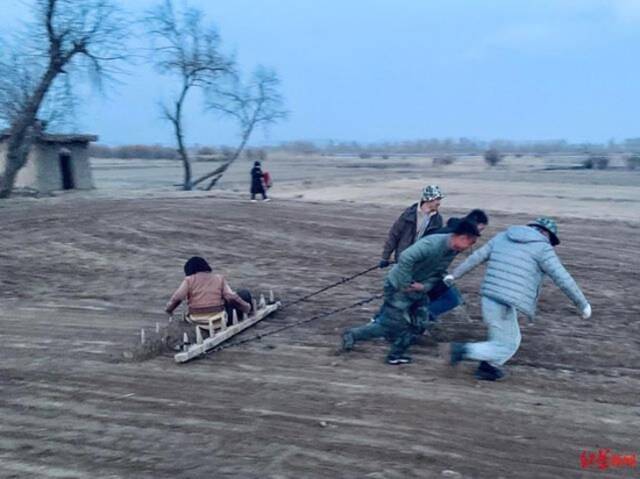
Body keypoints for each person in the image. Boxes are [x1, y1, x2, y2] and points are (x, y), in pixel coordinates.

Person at [445, 217, 592, 381]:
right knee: (506, 345)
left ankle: (488, 367)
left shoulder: (503, 236)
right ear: (546, 233)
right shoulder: (543, 248)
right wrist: (583, 304)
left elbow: (476, 257)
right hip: (504, 301)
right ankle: (461, 351)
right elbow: (563, 279)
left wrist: (454, 275)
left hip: (489, 296)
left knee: (511, 339)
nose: (550, 243)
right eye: (551, 239)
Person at [342, 220, 481, 365]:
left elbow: (437, 272)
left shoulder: (452, 250)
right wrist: (404, 284)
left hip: (416, 290)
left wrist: (424, 287)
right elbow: (406, 257)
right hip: (398, 287)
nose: (470, 247)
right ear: (463, 237)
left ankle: (396, 354)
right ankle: (353, 334)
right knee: (389, 325)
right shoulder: (432, 245)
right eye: (471, 242)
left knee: (418, 323)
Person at [423, 209, 490, 320]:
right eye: (480, 229)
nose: (479, 234)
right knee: (452, 299)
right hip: (426, 273)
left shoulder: (454, 232)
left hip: (431, 272)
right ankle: (420, 319)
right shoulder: (450, 235)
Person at [165, 256, 252, 328]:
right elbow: (231, 297)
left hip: (196, 321)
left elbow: (177, 298)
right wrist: (246, 308)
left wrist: (169, 310)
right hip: (217, 322)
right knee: (244, 294)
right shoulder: (219, 278)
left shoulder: (189, 280)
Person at [379, 185, 444, 268]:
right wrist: (385, 257)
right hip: (403, 259)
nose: (439, 203)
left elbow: (436, 244)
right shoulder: (408, 215)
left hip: (422, 262)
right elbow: (394, 235)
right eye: (437, 199)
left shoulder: (437, 219)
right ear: (428, 199)